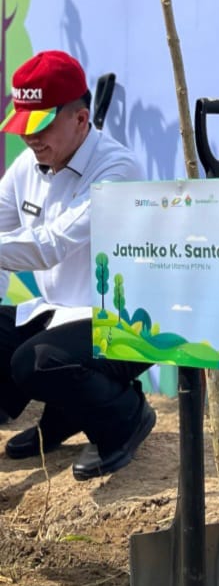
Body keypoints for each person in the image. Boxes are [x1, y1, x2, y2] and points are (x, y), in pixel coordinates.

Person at [0, 50, 155, 480]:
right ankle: (64, 417)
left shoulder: (118, 170)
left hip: (125, 325)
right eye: (23, 127)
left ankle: (124, 417)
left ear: (81, 120)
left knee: (35, 361)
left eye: (41, 126)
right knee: (22, 349)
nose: (30, 139)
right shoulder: (26, 166)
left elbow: (50, 246)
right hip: (57, 316)